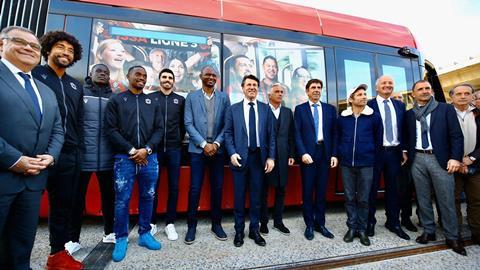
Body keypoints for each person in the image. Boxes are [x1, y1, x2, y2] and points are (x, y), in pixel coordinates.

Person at [0, 26, 64, 270]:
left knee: (21, 245)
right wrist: (15, 160)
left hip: (34, 182)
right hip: (4, 175)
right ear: (1, 45)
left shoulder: (45, 90)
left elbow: (58, 129)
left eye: (35, 46)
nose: (29, 48)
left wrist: (51, 156)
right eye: (20, 41)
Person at [32, 30, 85, 269]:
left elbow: (78, 121)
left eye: (70, 50)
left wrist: (78, 151)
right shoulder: (34, 74)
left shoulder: (75, 84)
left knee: (63, 206)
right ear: (48, 49)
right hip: (36, 153)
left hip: (69, 155)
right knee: (25, 207)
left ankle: (57, 255)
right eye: (61, 47)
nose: (66, 52)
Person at [104, 66, 164, 262]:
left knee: (148, 197)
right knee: (122, 200)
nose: (141, 78)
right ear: (128, 76)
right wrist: (132, 150)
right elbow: (110, 130)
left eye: (145, 76)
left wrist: (146, 149)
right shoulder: (117, 100)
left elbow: (159, 130)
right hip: (124, 158)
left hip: (149, 158)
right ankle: (121, 238)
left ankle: (145, 234)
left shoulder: (152, 102)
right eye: (137, 74)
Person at [405, 80, 466, 255]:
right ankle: (429, 231)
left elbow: (456, 136)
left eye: (427, 88)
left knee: (446, 199)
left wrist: (455, 158)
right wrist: (404, 151)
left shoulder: (445, 109)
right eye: (420, 89)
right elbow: (407, 136)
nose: (424, 91)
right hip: (417, 158)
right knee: (422, 198)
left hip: (440, 159)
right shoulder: (410, 114)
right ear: (413, 94)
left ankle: (452, 236)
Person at [224, 74, 276, 247]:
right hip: (239, 159)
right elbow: (228, 134)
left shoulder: (265, 109)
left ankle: (255, 230)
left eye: (255, 85)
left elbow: (271, 136)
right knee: (239, 198)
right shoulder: (233, 109)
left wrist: (271, 157)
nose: (252, 87)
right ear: (242, 87)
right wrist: (231, 153)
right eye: (249, 85)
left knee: (256, 198)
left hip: (259, 159)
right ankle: (239, 231)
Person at [70, 64, 116, 248]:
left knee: (109, 197)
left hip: (107, 157)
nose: (103, 74)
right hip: (83, 156)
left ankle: (110, 232)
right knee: (77, 200)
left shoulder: (113, 97)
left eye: (106, 72)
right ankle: (73, 240)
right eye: (99, 71)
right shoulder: (80, 93)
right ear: (90, 74)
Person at [183, 65, 231, 244]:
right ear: (200, 76)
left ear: (216, 78)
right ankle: (191, 226)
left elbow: (228, 123)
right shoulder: (191, 97)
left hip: (218, 151)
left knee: (217, 188)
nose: (211, 77)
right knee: (195, 188)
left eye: (213, 75)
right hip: (197, 150)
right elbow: (188, 123)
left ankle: (216, 224)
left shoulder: (224, 97)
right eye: (207, 75)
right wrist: (204, 144)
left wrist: (216, 144)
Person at [338, 84, 383, 246]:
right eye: (359, 95)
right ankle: (351, 228)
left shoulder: (374, 117)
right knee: (349, 198)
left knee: (364, 199)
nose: (364, 97)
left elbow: (379, 141)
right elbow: (338, 138)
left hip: (367, 164)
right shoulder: (342, 117)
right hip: (346, 164)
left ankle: (362, 229)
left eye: (365, 94)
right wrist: (340, 154)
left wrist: (373, 159)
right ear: (351, 99)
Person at [366, 75, 410, 240]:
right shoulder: (369, 105)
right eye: (383, 83)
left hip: (394, 153)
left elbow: (403, 130)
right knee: (371, 190)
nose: (387, 85)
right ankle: (370, 222)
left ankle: (393, 222)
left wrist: (404, 150)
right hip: (375, 153)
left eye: (390, 83)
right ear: (376, 87)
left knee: (394, 190)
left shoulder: (399, 105)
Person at [294, 79, 338, 241]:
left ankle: (320, 223)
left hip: (324, 154)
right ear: (307, 91)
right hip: (308, 156)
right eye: (313, 88)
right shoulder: (300, 110)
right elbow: (297, 134)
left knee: (321, 191)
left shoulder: (330, 110)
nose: (316, 90)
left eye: (319, 87)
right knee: (307, 191)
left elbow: (334, 134)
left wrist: (334, 154)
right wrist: (303, 153)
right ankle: (309, 225)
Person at [149, 68, 185, 240]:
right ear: (159, 79)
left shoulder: (180, 100)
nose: (167, 80)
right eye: (164, 77)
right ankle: (151, 223)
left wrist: (177, 141)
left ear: (173, 81)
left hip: (174, 149)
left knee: (174, 187)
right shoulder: (151, 98)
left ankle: (170, 223)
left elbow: (183, 125)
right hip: (154, 150)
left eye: (170, 77)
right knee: (152, 187)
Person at [259, 83, 295, 235]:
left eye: (282, 92)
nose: (280, 94)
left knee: (281, 190)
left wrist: (292, 154)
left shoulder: (287, 112)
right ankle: (264, 222)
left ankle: (278, 221)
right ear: (269, 94)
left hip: (284, 157)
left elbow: (291, 135)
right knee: (264, 191)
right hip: (266, 158)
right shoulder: (262, 110)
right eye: (277, 92)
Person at [449, 83, 480, 245]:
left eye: (467, 93)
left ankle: (477, 232)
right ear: (451, 97)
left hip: (475, 165)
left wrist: (472, 158)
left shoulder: (478, 113)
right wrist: (457, 160)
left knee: (476, 201)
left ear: (472, 96)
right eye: (459, 93)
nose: (463, 96)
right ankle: (456, 235)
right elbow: (440, 140)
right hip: (452, 166)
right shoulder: (444, 114)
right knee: (452, 201)